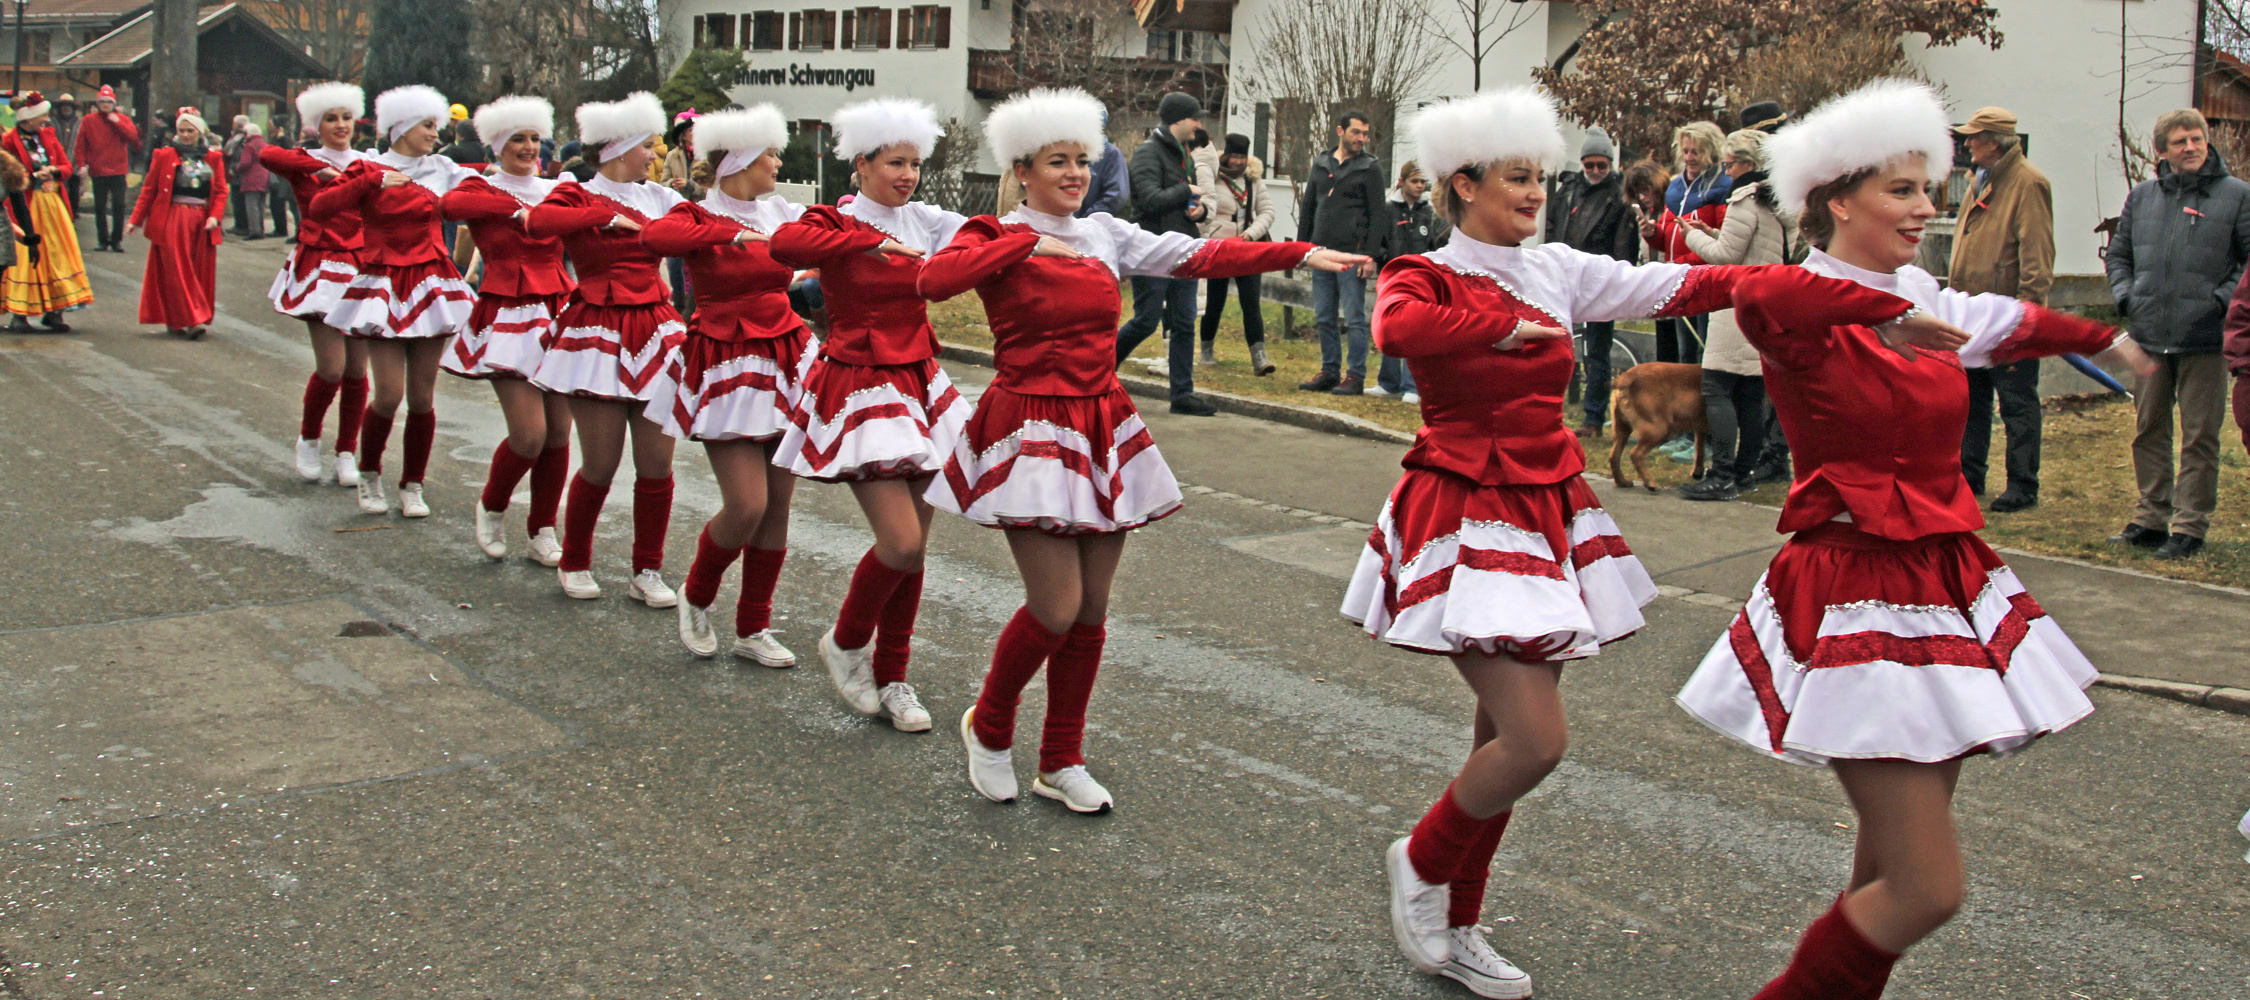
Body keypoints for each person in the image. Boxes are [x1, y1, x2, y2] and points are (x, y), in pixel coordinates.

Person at [1339, 87, 1934, 1000]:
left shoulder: (1562, 267)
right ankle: (1421, 861)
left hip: (1547, 514)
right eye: (1516, 178)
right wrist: (1501, 325)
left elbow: (1698, 282)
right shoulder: (1423, 272)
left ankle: (1459, 919)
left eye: (1539, 176)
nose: (1536, 192)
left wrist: (1841, 287)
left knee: (1499, 736)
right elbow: (1397, 328)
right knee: (1534, 741)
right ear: (1462, 185)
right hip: (1460, 509)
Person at [1674, 79, 2155, 1000]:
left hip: (1941, 577)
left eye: (1927, 188)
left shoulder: (1924, 292)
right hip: (1853, 582)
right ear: (1838, 199)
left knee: (1883, 875)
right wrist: (1880, 313)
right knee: (1927, 888)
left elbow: (2006, 323)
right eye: (1902, 190)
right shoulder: (1801, 299)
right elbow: (1774, 301)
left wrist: (2115, 341)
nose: (1926, 207)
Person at [920, 87, 1365, 814]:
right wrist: (1021, 239)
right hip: (1029, 428)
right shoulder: (989, 232)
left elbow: (1201, 254)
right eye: (1057, 162)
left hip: (1100, 426)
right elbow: (932, 282)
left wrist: (1301, 250)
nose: (1074, 174)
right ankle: (990, 724)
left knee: (1091, 609)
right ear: (1023, 169)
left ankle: (1060, 757)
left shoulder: (1105, 233)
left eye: (1082, 161)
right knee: (1055, 604)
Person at [770, 97, 968, 730]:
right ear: (861, 163)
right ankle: (847, 639)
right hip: (860, 384)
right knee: (900, 541)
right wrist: (867, 237)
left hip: (921, 383)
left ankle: (895, 676)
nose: (907, 175)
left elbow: (985, 240)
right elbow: (786, 244)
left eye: (914, 163)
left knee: (916, 549)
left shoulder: (927, 219)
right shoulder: (833, 219)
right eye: (894, 163)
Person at [641, 105, 812, 667]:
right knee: (746, 504)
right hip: (725, 362)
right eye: (770, 153)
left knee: (778, 506)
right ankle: (698, 592)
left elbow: (820, 242)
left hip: (785, 358)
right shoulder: (695, 214)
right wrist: (731, 232)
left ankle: (753, 626)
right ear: (738, 159)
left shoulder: (782, 211)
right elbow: (657, 236)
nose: (778, 162)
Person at [525, 91, 689, 604]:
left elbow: (699, 232)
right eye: (648, 147)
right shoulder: (574, 192)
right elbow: (538, 223)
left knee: (657, 463)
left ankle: (648, 571)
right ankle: (574, 559)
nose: (655, 156)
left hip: (657, 329)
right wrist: (598, 218)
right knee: (600, 462)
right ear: (621, 148)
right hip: (595, 331)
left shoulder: (661, 199)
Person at [311, 85, 480, 519]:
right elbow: (321, 206)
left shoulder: (442, 167)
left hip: (432, 286)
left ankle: (412, 483)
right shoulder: (368, 166)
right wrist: (369, 180)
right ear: (402, 127)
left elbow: (485, 190)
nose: (434, 134)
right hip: (383, 287)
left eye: (436, 126)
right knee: (387, 395)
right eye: (427, 126)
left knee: (422, 397)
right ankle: (369, 473)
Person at [2102, 108, 2247, 560]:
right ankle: (2149, 517)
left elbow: (2248, 263)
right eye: (2180, 141)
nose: (2191, 147)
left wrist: (2220, 301)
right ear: (2162, 150)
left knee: (2201, 435)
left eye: (2197, 139)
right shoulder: (2142, 198)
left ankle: (2189, 525)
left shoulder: (2238, 196)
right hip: (2148, 333)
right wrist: (2128, 297)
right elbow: (2119, 255)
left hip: (2204, 337)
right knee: (2149, 430)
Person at [439, 96, 574, 568]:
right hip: (506, 313)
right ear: (497, 144)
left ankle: (542, 529)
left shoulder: (558, 188)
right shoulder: (477, 186)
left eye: (535, 137)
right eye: (517, 138)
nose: (529, 147)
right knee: (529, 434)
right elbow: (452, 205)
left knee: (559, 433)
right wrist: (515, 208)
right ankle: (493, 504)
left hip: (558, 309)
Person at [1946, 107, 2055, 514]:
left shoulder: (2028, 183)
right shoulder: (1980, 181)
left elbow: (2037, 259)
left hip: (2007, 318)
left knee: (2016, 403)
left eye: (1974, 137)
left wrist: (2028, 318)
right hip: (1970, 316)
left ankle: (2022, 484)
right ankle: (1969, 475)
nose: (1968, 143)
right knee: (1969, 401)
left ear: (1994, 140)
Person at [265, 83, 371, 488]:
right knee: (332, 367)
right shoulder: (302, 159)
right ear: (317, 124)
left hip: (362, 265)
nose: (341, 125)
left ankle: (347, 450)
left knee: (358, 372)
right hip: (321, 264)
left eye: (346, 117)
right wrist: (316, 167)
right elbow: (265, 153)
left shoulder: (367, 161)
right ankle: (309, 438)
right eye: (331, 118)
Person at [1678, 128, 1790, 502]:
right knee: (1750, 395)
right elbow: (1751, 246)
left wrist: (1691, 236)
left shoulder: (1745, 197)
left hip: (1736, 304)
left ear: (1747, 163)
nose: (1726, 173)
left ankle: (1722, 473)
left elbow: (1726, 256)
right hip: (1767, 303)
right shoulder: (1777, 201)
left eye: (1729, 165)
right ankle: (1744, 474)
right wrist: (1712, 229)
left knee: (1717, 387)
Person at [1113, 91, 1222, 416]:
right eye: (1195, 118)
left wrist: (1198, 211)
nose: (1199, 124)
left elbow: (1179, 200)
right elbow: (1147, 199)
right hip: (1153, 249)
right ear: (1177, 119)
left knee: (1185, 322)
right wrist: (1185, 190)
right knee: (1146, 320)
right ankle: (1099, 373)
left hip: (1181, 247)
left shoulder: (1181, 154)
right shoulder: (1148, 153)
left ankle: (1182, 395)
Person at [1546, 128, 1638, 436]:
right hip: (1564, 276)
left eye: (1602, 165)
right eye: (1590, 165)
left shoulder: (1619, 194)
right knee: (1555, 344)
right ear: (1582, 164)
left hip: (1600, 279)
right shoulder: (1568, 188)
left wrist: (1618, 281)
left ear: (1610, 164)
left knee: (1597, 352)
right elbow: (1553, 226)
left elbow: (1625, 242)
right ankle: (1550, 408)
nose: (1596, 171)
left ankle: (1593, 418)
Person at [1296, 109, 1386, 395]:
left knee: (1354, 317)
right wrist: (1302, 249)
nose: (1361, 138)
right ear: (1340, 131)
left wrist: (1370, 255)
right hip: (1321, 251)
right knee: (1324, 316)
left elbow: (1378, 214)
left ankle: (1355, 375)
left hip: (1352, 253)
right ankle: (1329, 371)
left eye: (1365, 133)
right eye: (1356, 132)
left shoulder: (1369, 167)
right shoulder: (1321, 163)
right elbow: (1309, 206)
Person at [124, 108, 226, 338]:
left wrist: (215, 216)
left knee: (196, 270)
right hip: (173, 218)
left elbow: (220, 191)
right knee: (179, 270)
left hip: (201, 220)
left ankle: (178, 317)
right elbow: (149, 191)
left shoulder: (213, 158)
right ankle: (193, 320)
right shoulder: (165, 155)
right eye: (181, 130)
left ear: (199, 132)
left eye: (190, 130)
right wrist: (135, 220)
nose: (185, 135)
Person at [1641, 121, 1731, 364]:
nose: (1689, 157)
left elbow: (1722, 243)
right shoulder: (1676, 186)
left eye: (1696, 152)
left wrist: (1679, 264)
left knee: (1704, 351)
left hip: (1706, 280)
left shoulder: (1722, 186)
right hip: (1681, 280)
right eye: (1686, 151)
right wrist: (1652, 233)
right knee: (1686, 353)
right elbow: (1670, 237)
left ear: (1711, 152)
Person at [2, 92, 91, 331]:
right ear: (27, 118)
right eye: (41, 115)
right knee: (26, 257)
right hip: (27, 204)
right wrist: (31, 176)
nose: (46, 119)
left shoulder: (48, 137)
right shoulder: (9, 141)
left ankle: (55, 311)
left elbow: (67, 167)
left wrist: (52, 171)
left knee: (56, 254)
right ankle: (20, 314)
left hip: (52, 205)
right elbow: (8, 174)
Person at [1192, 132, 1277, 374]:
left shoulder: (1254, 181)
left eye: (1243, 157)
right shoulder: (1213, 179)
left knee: (1251, 303)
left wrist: (1250, 234)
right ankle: (1206, 348)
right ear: (1227, 156)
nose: (1239, 162)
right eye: (1235, 156)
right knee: (1215, 302)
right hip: (1219, 248)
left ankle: (1259, 356)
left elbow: (1267, 213)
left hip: (1247, 248)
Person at [1371, 160, 1446, 401]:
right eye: (1415, 181)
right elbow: (1380, 241)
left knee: (1415, 331)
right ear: (1402, 182)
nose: (1420, 186)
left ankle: (1412, 386)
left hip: (1420, 278)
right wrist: (1381, 263)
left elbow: (1434, 244)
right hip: (1393, 277)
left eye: (1423, 182)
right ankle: (1388, 383)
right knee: (1391, 328)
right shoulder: (1388, 209)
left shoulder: (1428, 212)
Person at [75, 85, 139, 253]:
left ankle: (116, 240)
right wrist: (82, 165)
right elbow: (80, 145)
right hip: (98, 169)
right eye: (102, 102)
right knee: (100, 207)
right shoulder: (88, 120)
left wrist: (117, 123)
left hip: (118, 169)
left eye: (108, 102)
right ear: (97, 103)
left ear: (113, 103)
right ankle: (102, 240)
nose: (105, 105)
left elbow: (133, 137)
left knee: (119, 205)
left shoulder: (122, 119)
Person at [1077, 111, 1127, 219]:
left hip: (1092, 226)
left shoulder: (1111, 154)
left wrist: (1088, 219)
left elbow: (1116, 196)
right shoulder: (1071, 151)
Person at [235, 123, 270, 240]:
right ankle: (260, 229)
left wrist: (236, 168)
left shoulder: (249, 146)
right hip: (264, 176)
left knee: (251, 206)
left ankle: (255, 231)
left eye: (245, 133)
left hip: (251, 178)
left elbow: (245, 163)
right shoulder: (265, 144)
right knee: (261, 205)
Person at [49, 93, 79, 217]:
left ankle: (72, 215)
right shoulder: (51, 122)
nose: (65, 108)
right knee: (56, 191)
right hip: (56, 164)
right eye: (63, 105)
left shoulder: (81, 123)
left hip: (75, 164)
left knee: (73, 192)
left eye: (68, 106)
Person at [223, 115, 252, 236]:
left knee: (238, 201)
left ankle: (241, 226)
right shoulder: (246, 137)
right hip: (242, 175)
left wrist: (233, 167)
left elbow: (233, 153)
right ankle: (241, 224)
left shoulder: (238, 139)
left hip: (238, 175)